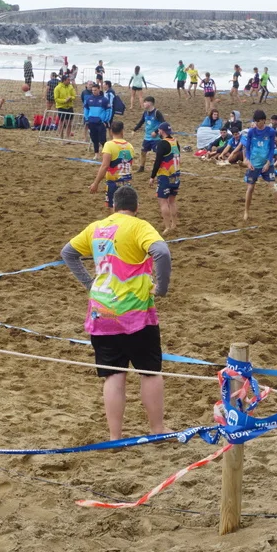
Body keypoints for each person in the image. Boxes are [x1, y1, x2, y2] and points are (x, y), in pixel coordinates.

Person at [60, 185, 171, 440]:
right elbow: (162, 252)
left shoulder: (96, 228)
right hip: (135, 312)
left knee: (113, 375)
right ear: (136, 207)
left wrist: (90, 283)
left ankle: (115, 436)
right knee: (150, 372)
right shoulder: (139, 226)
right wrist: (162, 287)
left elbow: (68, 253)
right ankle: (157, 429)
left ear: (112, 206)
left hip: (102, 312)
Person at [242, 109, 277, 221]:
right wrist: (248, 161)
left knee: (273, 186)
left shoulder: (271, 131)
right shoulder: (251, 132)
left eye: (259, 121)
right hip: (254, 163)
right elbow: (248, 148)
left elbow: (272, 149)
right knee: (250, 188)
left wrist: (268, 162)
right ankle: (246, 212)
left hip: (267, 163)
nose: (257, 123)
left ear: (264, 120)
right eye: (256, 121)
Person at [90, 120, 135, 210]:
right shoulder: (130, 146)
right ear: (122, 131)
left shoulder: (109, 145)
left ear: (111, 131)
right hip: (127, 183)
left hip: (114, 183)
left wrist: (96, 183)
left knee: (113, 209)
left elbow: (105, 166)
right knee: (126, 210)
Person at [148, 123, 181, 233]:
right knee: (172, 201)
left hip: (165, 176)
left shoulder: (162, 143)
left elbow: (158, 161)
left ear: (162, 131)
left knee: (163, 202)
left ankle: (167, 227)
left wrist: (152, 176)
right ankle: (174, 224)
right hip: (175, 175)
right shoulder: (175, 141)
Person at [132, 96, 166, 173]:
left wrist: (156, 132)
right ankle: (141, 167)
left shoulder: (157, 112)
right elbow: (141, 122)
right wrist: (134, 130)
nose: (143, 104)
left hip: (156, 138)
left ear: (149, 103)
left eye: (145, 102)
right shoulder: (145, 112)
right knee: (143, 152)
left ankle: (160, 168)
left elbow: (163, 123)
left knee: (158, 153)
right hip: (147, 137)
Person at [82, 81, 112, 154]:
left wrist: (105, 121)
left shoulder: (104, 100)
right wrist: (87, 119)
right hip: (91, 122)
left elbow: (109, 111)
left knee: (102, 139)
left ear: (99, 89)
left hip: (101, 122)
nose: (93, 92)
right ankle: (96, 154)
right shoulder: (89, 99)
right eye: (92, 90)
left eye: (95, 90)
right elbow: (86, 110)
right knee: (94, 139)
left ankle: (105, 153)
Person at [53, 72, 78, 140]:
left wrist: (70, 98)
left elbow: (74, 96)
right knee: (61, 123)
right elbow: (56, 99)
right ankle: (61, 138)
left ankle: (68, 138)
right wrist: (64, 100)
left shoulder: (70, 86)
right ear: (64, 80)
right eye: (68, 80)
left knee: (69, 123)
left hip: (69, 107)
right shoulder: (57, 88)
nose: (69, 81)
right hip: (61, 107)